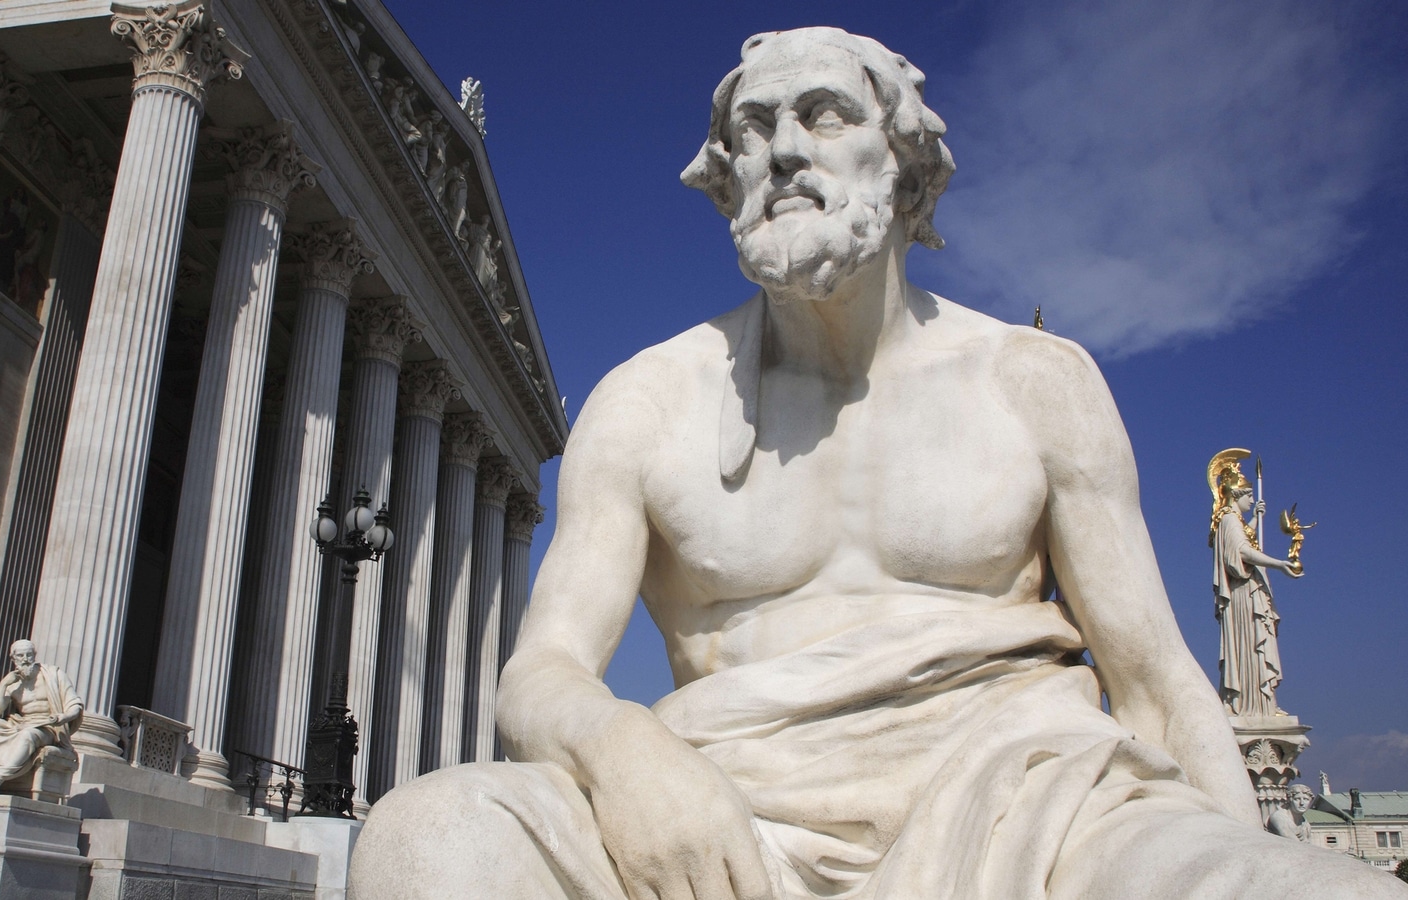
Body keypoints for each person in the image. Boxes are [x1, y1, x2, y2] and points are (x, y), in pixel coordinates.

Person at [348, 27, 1407, 899]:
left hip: (1033, 806)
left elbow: (1156, 682)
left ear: (898, 162)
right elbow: (544, 672)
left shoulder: (1035, 381)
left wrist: (1231, 849)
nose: (783, 152)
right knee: (424, 843)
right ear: (725, 183)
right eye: (751, 132)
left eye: (822, 114)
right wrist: (626, 758)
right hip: (723, 822)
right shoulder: (647, 401)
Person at [1209, 451, 1300, 716]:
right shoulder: (1227, 518)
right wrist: (1279, 563)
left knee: (1257, 646)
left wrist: (1257, 519)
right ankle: (1250, 705)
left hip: (1250, 591)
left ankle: (1263, 703)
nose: (1253, 499)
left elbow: (1243, 540)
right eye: (1249, 496)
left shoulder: (1234, 521)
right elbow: (1241, 553)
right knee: (1249, 646)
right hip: (1243, 594)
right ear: (1236, 495)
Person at [0, 639, 83, 797]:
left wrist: (63, 717)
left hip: (48, 728)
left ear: (35, 655)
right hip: (20, 724)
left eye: (29, 655)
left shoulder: (53, 674)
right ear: (13, 659)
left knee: (28, 735)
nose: (25, 659)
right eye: (20, 655)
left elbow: (75, 706)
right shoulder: (13, 682)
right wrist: (4, 684)